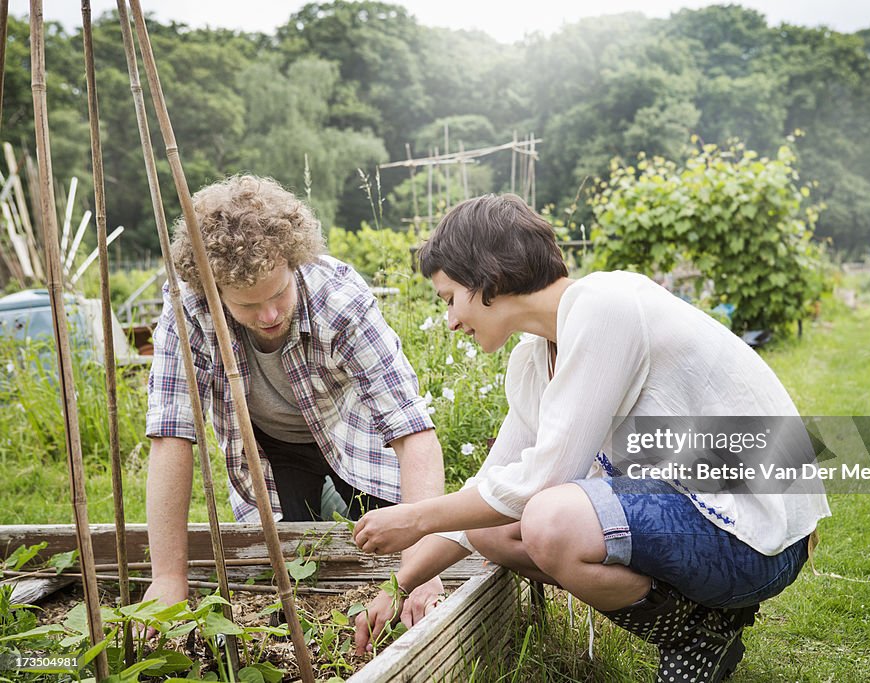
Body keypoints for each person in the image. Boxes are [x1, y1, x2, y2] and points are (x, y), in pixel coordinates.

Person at [351, 193, 831, 682]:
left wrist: (416, 516)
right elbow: (493, 483)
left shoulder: (605, 306)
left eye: (450, 298)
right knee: (488, 527)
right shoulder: (535, 359)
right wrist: (399, 582)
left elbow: (543, 481)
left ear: (489, 279)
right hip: (696, 515)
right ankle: (704, 625)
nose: (451, 321)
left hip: (760, 538)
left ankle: (693, 634)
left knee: (551, 518)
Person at [144, 175, 445, 623]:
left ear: (294, 262)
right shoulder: (189, 310)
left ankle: (344, 499)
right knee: (291, 564)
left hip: (352, 434)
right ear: (214, 292)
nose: (268, 315)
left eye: (278, 294)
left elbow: (410, 427)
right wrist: (169, 577)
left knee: (389, 540)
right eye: (247, 306)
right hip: (275, 446)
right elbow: (171, 435)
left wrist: (423, 561)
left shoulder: (339, 298)